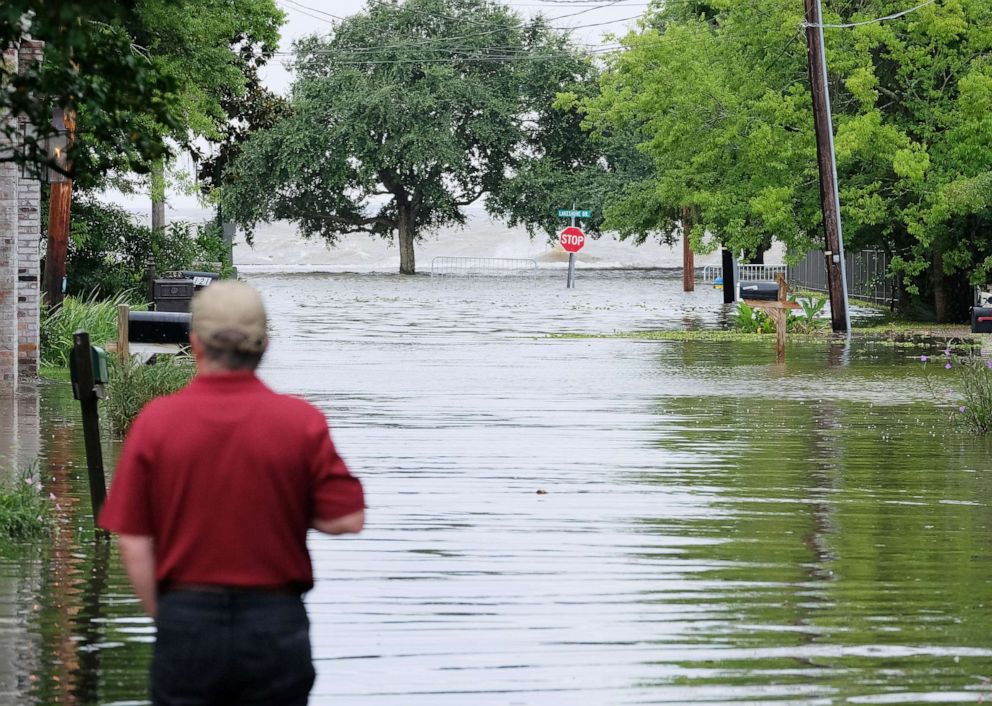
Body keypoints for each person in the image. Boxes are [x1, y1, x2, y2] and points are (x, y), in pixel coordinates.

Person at [99, 280, 365, 706]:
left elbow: (133, 541)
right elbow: (346, 519)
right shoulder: (300, 421)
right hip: (273, 623)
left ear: (195, 344)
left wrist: (168, 617)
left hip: (187, 619)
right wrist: (286, 498)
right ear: (264, 346)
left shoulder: (157, 421)